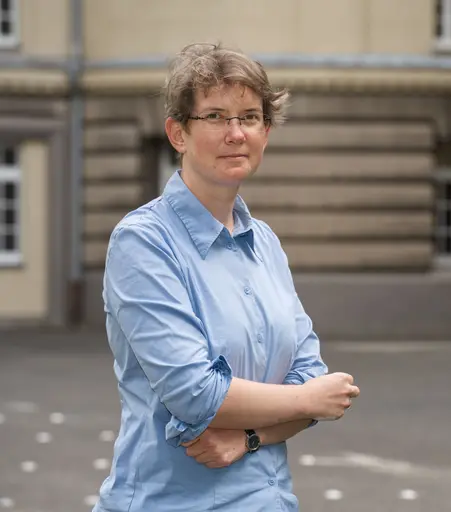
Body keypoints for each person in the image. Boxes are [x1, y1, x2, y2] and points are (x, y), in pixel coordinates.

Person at [93, 42, 360, 511]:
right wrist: (308, 401)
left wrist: (251, 437)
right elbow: (197, 395)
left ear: (266, 131)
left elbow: (309, 373)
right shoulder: (143, 243)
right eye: (214, 117)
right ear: (177, 134)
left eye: (250, 117)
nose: (235, 133)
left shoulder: (266, 244)